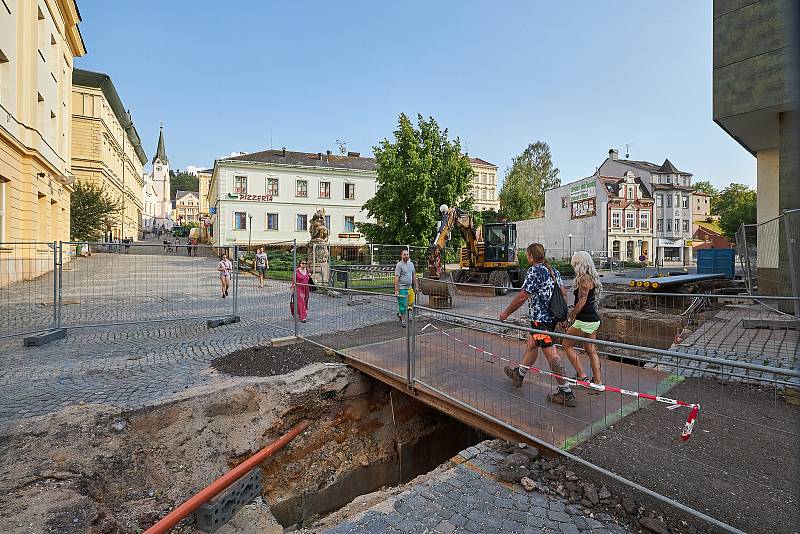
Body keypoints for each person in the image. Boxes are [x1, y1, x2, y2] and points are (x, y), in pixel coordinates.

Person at [499, 243, 576, 407]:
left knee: (552, 355)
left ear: (531, 256)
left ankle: (566, 392)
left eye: (527, 254)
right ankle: (519, 375)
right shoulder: (552, 270)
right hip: (550, 319)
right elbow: (563, 293)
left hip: (540, 321)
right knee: (532, 345)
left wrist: (506, 313)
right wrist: (562, 316)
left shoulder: (534, 271)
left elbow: (522, 296)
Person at [561, 251, 603, 393]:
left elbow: (581, 302)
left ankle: (582, 376)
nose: (573, 267)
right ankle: (597, 382)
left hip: (584, 320)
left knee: (566, 344)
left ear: (579, 264)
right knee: (591, 350)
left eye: (574, 264)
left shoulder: (584, 279)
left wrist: (570, 317)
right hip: (593, 319)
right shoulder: (592, 278)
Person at [394, 249, 417, 328]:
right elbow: (396, 278)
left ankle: (401, 314)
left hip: (410, 288)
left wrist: (416, 286)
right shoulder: (399, 265)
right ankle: (403, 321)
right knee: (403, 305)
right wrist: (396, 290)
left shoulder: (411, 264)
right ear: (401, 255)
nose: (406, 256)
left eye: (407, 254)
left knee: (412, 302)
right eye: (404, 254)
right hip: (402, 288)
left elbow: (414, 275)